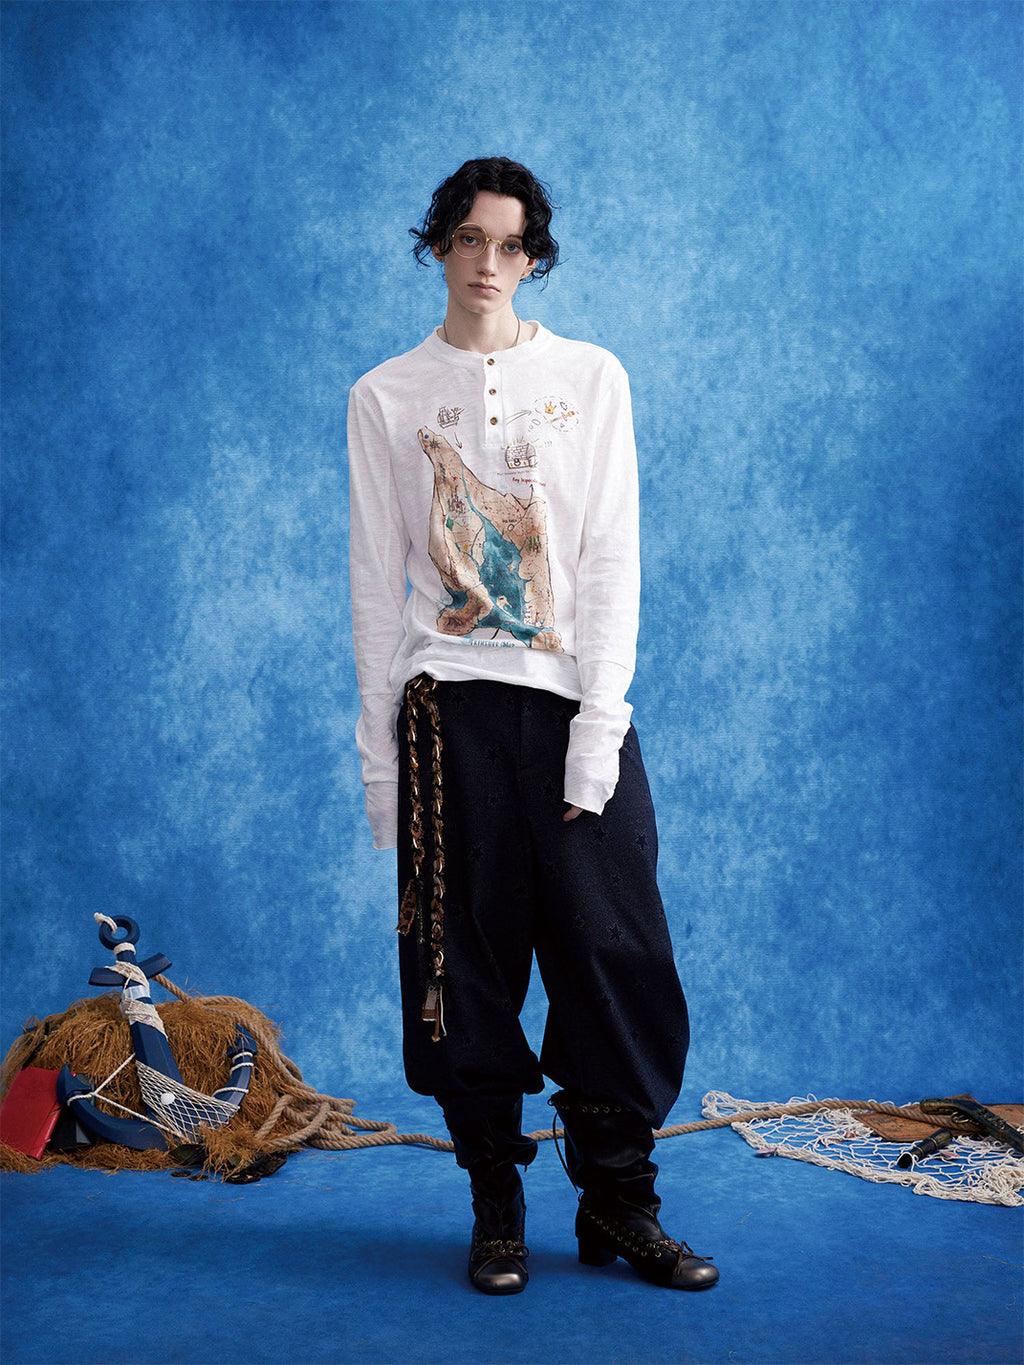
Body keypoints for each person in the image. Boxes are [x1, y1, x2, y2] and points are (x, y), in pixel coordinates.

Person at [346, 157, 718, 1295]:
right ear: (438, 246)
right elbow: (375, 589)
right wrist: (381, 771)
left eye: (510, 244)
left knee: (616, 952)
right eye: (468, 238)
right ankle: (496, 1204)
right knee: (458, 964)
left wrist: (599, 726)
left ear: (534, 258)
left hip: (567, 705)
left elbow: (610, 560)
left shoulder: (591, 378)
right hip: (444, 715)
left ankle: (618, 1200)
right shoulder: (385, 397)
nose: (488, 262)